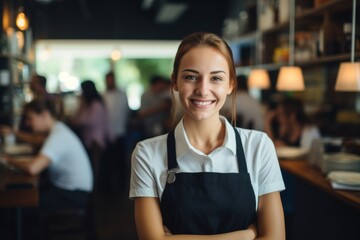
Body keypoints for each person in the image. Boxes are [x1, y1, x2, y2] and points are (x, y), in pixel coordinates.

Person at [130, 32, 285, 239]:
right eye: (191, 77)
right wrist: (246, 235)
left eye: (216, 78)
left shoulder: (259, 146)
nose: (203, 90)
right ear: (175, 81)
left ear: (230, 84)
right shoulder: (147, 154)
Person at [1, 99, 93, 211]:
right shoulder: (58, 129)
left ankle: (25, 226)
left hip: (72, 195)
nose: (27, 123)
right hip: (73, 190)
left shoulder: (57, 136)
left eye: (30, 118)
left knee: (23, 204)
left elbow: (33, 168)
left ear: (45, 114)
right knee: (25, 197)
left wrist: (7, 159)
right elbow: (36, 140)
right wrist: (13, 132)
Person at [102, 71, 130, 192]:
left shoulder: (122, 95)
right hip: (106, 133)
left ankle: (122, 187)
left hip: (120, 132)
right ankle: (108, 187)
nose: (109, 82)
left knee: (120, 162)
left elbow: (126, 113)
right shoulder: (103, 96)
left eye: (111, 79)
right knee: (108, 162)